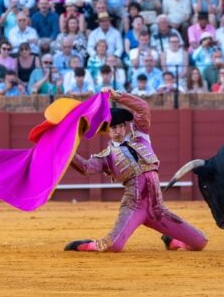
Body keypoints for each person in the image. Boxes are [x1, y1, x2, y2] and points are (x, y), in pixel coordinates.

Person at [65, 88, 208, 253]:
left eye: (120, 126)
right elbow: (85, 167)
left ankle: (173, 242)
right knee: (114, 246)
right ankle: (86, 245)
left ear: (124, 126)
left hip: (157, 209)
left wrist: (117, 96)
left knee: (200, 242)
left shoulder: (140, 135)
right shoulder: (106, 156)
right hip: (133, 207)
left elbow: (143, 108)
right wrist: (65, 151)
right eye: (113, 128)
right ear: (108, 131)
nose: (117, 130)